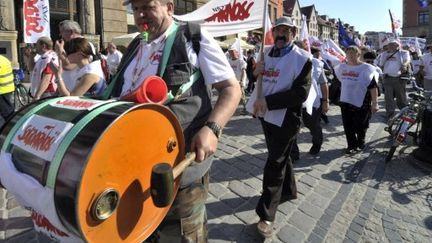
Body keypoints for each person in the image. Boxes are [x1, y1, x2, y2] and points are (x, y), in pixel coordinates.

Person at [108, 0, 241, 242]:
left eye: (148, 7)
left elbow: (232, 89)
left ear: (169, 7)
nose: (140, 15)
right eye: (135, 9)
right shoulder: (136, 44)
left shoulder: (193, 37)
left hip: (180, 168)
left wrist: (212, 129)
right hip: (134, 167)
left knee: (182, 234)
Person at [246, 16, 312, 238]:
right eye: (278, 31)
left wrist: (269, 102)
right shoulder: (265, 53)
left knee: (275, 162)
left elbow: (301, 93)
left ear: (293, 33)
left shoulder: (302, 59)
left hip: (287, 118)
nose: (281, 35)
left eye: (286, 31)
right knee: (281, 157)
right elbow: (251, 78)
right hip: (266, 116)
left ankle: (266, 215)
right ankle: (289, 190)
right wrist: (255, 72)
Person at [334, 46, 379, 154]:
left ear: (358, 55)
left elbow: (373, 87)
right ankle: (351, 145)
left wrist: (375, 103)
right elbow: (339, 81)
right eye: (348, 53)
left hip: (362, 101)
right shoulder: (341, 67)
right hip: (346, 100)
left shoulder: (367, 68)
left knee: (360, 124)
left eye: (353, 53)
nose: (350, 55)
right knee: (347, 125)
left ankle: (361, 140)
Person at [290, 45, 329, 159]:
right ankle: (293, 153)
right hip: (292, 102)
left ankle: (317, 143)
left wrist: (325, 101)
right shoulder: (287, 62)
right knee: (292, 128)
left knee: (312, 125)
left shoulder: (316, 63)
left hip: (312, 102)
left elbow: (323, 83)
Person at [55, 20, 95, 90]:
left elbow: (68, 66)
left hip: (74, 89)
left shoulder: (84, 45)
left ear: (71, 31)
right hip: (68, 87)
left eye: (62, 32)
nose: (60, 35)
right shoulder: (70, 45)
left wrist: (59, 52)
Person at [377, 39, 411, 119]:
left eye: (391, 45)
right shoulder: (384, 54)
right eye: (389, 45)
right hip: (387, 78)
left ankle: (404, 113)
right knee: (388, 97)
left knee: (401, 97)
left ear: (397, 46)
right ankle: (390, 114)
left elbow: (407, 60)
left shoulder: (404, 52)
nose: (389, 47)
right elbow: (381, 64)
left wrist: (404, 65)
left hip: (399, 78)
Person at [227, 45, 247, 112]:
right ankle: (232, 109)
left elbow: (243, 71)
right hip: (232, 81)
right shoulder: (228, 61)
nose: (231, 53)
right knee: (231, 95)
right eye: (230, 52)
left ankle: (245, 109)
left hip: (240, 81)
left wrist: (241, 80)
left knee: (242, 95)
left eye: (232, 52)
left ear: (236, 52)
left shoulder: (241, 61)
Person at [0, 55, 15, 122]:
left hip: (1, 90)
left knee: (6, 114)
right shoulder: (4, 59)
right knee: (8, 112)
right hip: (8, 89)